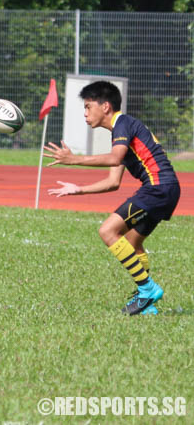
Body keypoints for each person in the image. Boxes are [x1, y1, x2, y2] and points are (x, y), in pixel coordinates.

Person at [43, 80, 180, 316]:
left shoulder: (122, 124)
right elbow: (113, 182)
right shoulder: (122, 131)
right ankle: (147, 304)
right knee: (132, 244)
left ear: (105, 106)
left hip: (158, 187)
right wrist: (79, 189)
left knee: (107, 231)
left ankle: (147, 289)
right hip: (166, 189)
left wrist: (74, 160)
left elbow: (116, 158)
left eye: (88, 107)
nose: (85, 113)